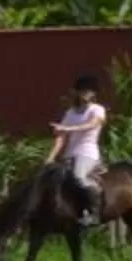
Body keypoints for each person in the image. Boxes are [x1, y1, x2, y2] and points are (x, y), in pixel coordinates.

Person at [47, 72, 108, 225]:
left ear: (94, 93)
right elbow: (61, 137)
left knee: (78, 177)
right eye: (82, 90)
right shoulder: (70, 113)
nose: (85, 94)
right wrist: (50, 158)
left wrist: (66, 128)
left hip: (87, 152)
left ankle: (94, 211)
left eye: (89, 91)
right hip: (70, 154)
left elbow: (92, 125)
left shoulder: (97, 109)